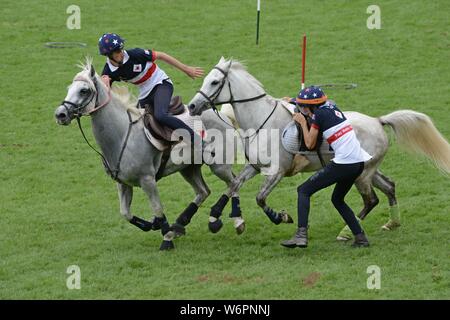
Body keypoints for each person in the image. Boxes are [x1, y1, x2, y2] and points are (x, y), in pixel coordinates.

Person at [281, 86, 372, 248]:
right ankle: (361, 238)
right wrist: (293, 101)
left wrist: (302, 122)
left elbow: (309, 144)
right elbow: (312, 106)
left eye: (303, 106)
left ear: (312, 106)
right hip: (358, 162)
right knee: (337, 199)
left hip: (344, 164)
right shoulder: (329, 106)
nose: (302, 109)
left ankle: (301, 235)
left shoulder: (318, 116)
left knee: (303, 190)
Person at [98, 33, 204, 145]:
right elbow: (104, 95)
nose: (122, 52)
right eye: (118, 51)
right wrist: (105, 86)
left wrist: (186, 69)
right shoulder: (108, 72)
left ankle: (195, 139)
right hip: (144, 93)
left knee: (160, 115)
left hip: (161, 83)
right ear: (109, 55)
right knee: (137, 124)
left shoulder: (135, 54)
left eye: (121, 49)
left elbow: (161, 55)